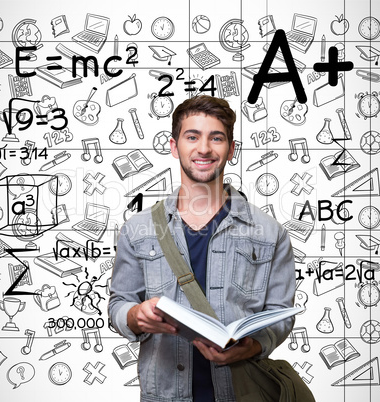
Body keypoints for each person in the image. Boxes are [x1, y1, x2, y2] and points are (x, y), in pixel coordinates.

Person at [108, 95, 296, 402]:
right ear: (174, 146)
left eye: (216, 138)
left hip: (242, 394)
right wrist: (135, 315)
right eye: (192, 136)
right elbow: (119, 303)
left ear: (231, 149)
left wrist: (252, 345)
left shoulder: (270, 233)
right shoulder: (138, 229)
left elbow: (280, 316)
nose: (204, 148)